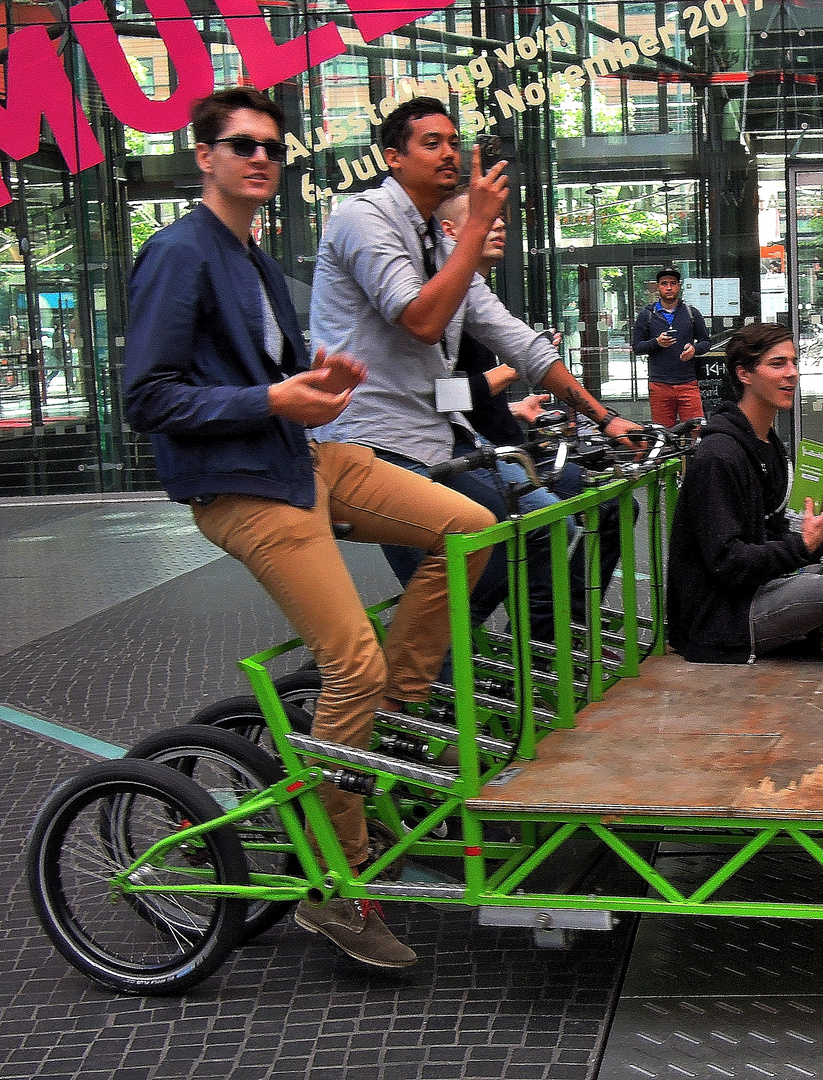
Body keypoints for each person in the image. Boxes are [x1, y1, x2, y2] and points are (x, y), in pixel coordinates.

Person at [123, 88, 497, 969]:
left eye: (273, 149)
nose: (261, 158)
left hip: (304, 457)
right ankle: (336, 885)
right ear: (204, 154)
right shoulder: (179, 252)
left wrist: (313, 379)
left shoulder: (250, 253)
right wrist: (270, 398)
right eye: (243, 145)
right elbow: (147, 397)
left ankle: (389, 717)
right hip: (243, 485)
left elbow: (269, 372)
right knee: (348, 661)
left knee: (470, 528)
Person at [310, 97, 640, 644]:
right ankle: (427, 678)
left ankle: (524, 658)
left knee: (544, 524)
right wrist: (474, 228)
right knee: (464, 564)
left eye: (453, 141)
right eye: (431, 142)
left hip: (442, 438)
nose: (450, 153)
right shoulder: (361, 216)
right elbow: (419, 317)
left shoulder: (440, 244)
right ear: (392, 157)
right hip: (370, 444)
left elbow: (520, 342)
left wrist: (605, 419)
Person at [667, 322, 823, 667]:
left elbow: (771, 531)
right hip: (727, 616)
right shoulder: (718, 455)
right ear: (745, 374)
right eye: (778, 364)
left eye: (794, 363)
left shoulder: (767, 445)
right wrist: (804, 547)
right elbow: (728, 564)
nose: (792, 374)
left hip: (769, 584)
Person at [633, 266, 712, 428]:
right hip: (659, 385)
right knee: (664, 434)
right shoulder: (647, 315)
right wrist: (656, 342)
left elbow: (706, 342)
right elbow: (637, 347)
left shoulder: (691, 313)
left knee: (696, 431)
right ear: (658, 287)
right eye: (664, 283)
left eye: (673, 283)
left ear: (679, 286)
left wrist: (694, 350)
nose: (669, 287)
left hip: (688, 384)